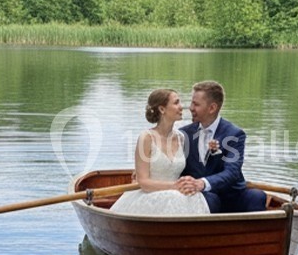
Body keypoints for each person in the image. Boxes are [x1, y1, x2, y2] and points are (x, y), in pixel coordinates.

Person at [110, 88, 211, 217]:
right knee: (174, 198)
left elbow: (188, 171)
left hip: (177, 194)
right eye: (176, 103)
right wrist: (174, 186)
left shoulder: (181, 138)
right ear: (162, 109)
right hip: (149, 195)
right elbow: (143, 182)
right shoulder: (146, 138)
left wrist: (189, 183)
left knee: (194, 195)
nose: (181, 107)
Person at [177, 80, 267, 213]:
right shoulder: (184, 133)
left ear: (212, 108)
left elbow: (232, 172)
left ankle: (251, 233)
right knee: (207, 199)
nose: (190, 108)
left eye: (196, 104)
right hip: (200, 197)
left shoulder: (235, 134)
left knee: (257, 196)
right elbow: (177, 167)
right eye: (191, 103)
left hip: (230, 196)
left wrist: (202, 183)